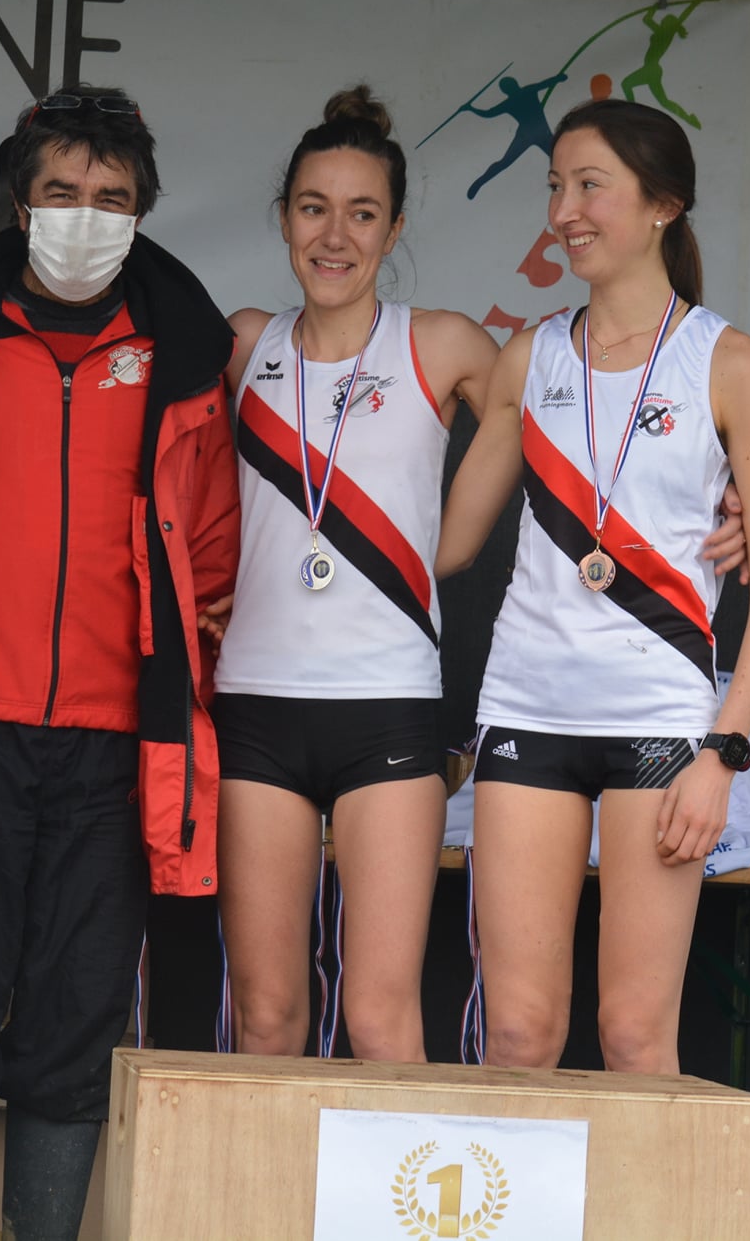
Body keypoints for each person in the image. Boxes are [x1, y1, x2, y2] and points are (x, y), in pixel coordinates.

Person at [0, 85, 239, 1241]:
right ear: (17, 201)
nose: (86, 216)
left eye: (112, 199)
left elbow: (214, 551)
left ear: (143, 212)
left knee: (76, 1031)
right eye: (62, 194)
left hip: (112, 750)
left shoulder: (182, 342)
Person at [437, 98, 750, 1075]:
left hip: (660, 726)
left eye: (588, 184)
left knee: (635, 1038)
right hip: (526, 712)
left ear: (660, 206)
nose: (563, 209)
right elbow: (443, 545)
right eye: (554, 186)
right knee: (516, 1036)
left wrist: (721, 752)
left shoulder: (726, 364)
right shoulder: (531, 352)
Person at [213, 86, 500, 1063]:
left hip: (385, 706)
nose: (333, 235)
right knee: (267, 1019)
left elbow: (576, 420)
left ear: (394, 227)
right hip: (253, 702)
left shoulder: (441, 343)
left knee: (379, 1020)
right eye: (311, 208)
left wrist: (719, 502)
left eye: (361, 212)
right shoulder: (243, 344)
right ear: (284, 216)